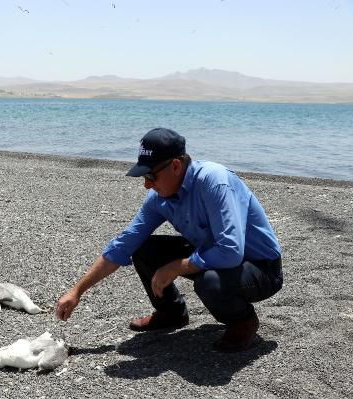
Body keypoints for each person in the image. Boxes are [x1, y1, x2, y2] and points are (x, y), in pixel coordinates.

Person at [55, 128, 283, 352]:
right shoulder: (159, 197)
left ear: (175, 166)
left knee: (210, 282)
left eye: (150, 176)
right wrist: (77, 291)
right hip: (212, 253)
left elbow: (231, 251)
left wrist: (177, 266)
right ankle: (171, 314)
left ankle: (243, 321)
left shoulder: (215, 181)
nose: (146, 184)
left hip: (260, 268)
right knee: (144, 249)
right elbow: (124, 244)